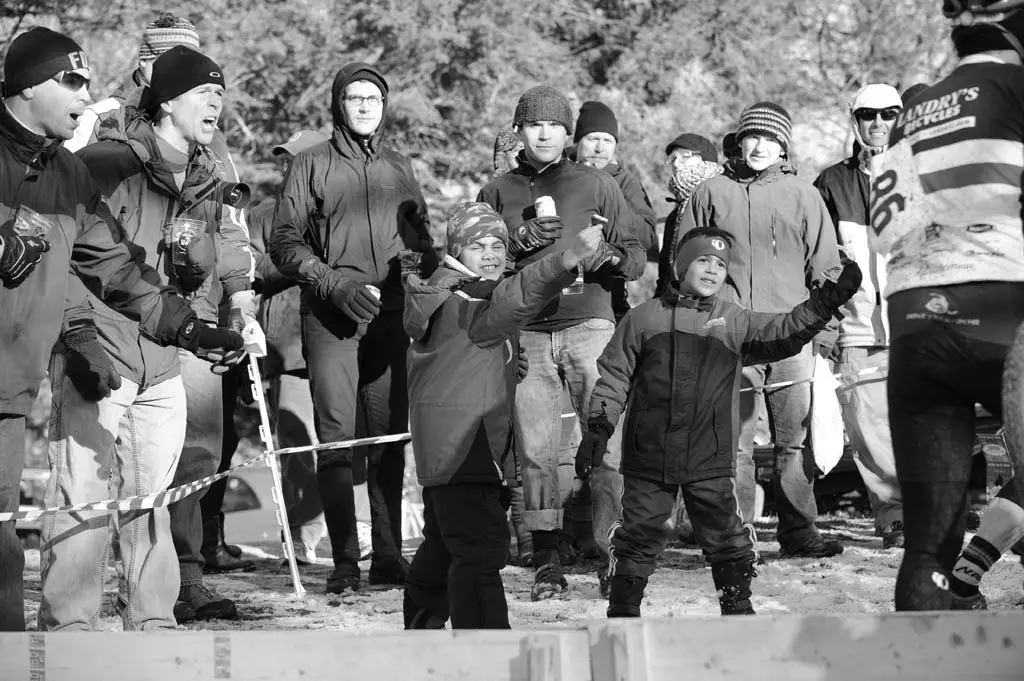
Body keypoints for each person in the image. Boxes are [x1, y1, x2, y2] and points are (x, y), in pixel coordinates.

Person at [0, 26, 242, 632]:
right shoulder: (103, 165)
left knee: (132, 508)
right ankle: (69, 632)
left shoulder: (70, 176)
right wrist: (79, 335)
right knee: (77, 497)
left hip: (35, 380)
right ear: (29, 86)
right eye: (73, 80)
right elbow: (84, 284)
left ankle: (138, 633)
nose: (87, 94)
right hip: (94, 359)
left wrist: (193, 331)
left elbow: (116, 267)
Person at [579, 228, 862, 617]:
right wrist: (599, 426)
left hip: (709, 455)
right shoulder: (643, 319)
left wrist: (828, 299)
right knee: (637, 535)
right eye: (702, 260)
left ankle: (737, 607)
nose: (712, 269)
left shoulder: (733, 320)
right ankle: (623, 611)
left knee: (725, 534)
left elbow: (787, 329)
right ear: (681, 266)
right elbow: (613, 378)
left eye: (720, 264)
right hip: (648, 454)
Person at [868, 0, 1024, 610]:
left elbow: (886, 231)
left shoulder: (912, 114)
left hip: (916, 321)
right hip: (1002, 307)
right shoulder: (1014, 85)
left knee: (928, 548)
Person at [270, 62, 437, 593]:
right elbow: (285, 243)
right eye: (354, 98)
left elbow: (421, 239)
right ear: (338, 105)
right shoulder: (311, 164)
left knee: (389, 439)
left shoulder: (398, 165)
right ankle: (345, 562)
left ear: (384, 106)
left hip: (389, 317)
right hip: (331, 317)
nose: (365, 107)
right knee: (337, 437)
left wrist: (427, 273)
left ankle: (388, 556)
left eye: (374, 99)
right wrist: (329, 281)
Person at [477, 84, 645, 600]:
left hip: (590, 326)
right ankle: (547, 558)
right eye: (534, 124)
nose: (544, 133)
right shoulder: (496, 191)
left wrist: (605, 258)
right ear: (519, 131)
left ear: (566, 131)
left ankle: (609, 551)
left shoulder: (595, 184)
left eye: (553, 124)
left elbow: (637, 255)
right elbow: (479, 268)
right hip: (527, 334)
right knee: (536, 451)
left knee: (605, 443)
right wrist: (514, 248)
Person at [402, 203, 605, 629]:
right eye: (478, 246)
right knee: (480, 551)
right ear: (456, 250)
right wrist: (566, 260)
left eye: (498, 244)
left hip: (451, 450)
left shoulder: (441, 294)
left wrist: (507, 366)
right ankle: (488, 655)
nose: (491, 253)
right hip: (465, 446)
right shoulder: (468, 297)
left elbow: (463, 359)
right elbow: (515, 299)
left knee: (443, 547)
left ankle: (418, 639)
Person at [680, 101, 845, 559]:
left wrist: (825, 334)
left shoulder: (803, 194)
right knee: (734, 445)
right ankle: (737, 534)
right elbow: (687, 265)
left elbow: (826, 270)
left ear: (783, 146)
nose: (759, 146)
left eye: (770, 139)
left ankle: (799, 531)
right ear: (740, 139)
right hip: (730, 336)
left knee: (794, 442)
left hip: (793, 336)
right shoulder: (711, 192)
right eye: (753, 136)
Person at [813, 83, 905, 549]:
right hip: (857, 326)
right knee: (868, 427)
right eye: (868, 115)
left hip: (916, 325)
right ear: (855, 120)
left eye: (888, 114)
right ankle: (893, 514)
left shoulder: (922, 175)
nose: (878, 123)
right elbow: (817, 261)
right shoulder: (832, 183)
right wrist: (825, 325)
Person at [248, 129, 330, 563]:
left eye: (297, 159)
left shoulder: (341, 206)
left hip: (340, 341)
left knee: (347, 439)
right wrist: (299, 260)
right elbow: (251, 269)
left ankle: (356, 530)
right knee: (296, 445)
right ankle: (301, 534)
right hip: (287, 350)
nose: (287, 167)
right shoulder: (264, 213)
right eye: (284, 160)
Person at [64, 11, 200, 153]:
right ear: (144, 60)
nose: (182, 71)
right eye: (171, 60)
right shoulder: (96, 119)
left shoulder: (205, 125)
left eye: (192, 64)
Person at [655, 133, 722, 297]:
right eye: (672, 159)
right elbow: (665, 270)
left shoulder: (721, 200)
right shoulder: (675, 214)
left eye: (685, 156)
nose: (677, 163)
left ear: (706, 160)